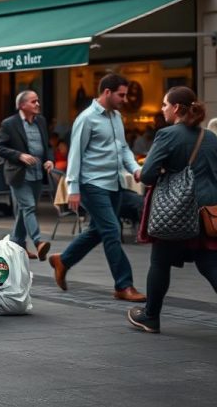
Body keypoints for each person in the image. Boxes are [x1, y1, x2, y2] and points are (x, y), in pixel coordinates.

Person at [126, 87, 217, 344]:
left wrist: (162, 171)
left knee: (160, 262)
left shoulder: (167, 135)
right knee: (210, 264)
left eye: (164, 104)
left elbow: (148, 175)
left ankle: (151, 316)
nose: (162, 109)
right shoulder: (209, 137)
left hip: (176, 209)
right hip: (208, 210)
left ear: (175, 108)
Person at [49, 74, 146, 302]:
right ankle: (124, 285)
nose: (124, 99)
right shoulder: (87, 118)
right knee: (112, 231)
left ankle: (63, 260)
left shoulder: (117, 117)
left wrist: (134, 169)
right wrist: (73, 188)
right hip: (92, 184)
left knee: (97, 231)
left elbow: (123, 149)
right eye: (121, 95)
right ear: (107, 92)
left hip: (114, 183)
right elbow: (75, 155)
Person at [0, 90, 54, 262]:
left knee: (23, 210)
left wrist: (49, 159)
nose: (38, 104)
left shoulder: (41, 121)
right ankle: (38, 241)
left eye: (38, 101)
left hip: (36, 174)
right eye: (34, 101)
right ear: (22, 105)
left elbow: (47, 145)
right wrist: (19, 155)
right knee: (28, 207)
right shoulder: (9, 124)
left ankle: (17, 244)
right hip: (18, 175)